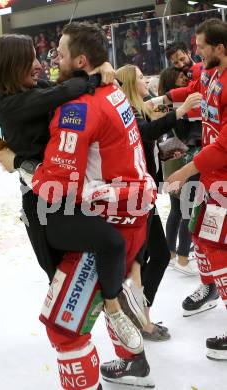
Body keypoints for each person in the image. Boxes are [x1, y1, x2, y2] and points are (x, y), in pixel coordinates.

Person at [0, 29, 151, 388]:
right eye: (33, 60)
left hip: (64, 201)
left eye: (54, 54)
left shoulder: (45, 93)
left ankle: (118, 317)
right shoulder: (12, 103)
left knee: (66, 322)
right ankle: (130, 349)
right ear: (13, 67)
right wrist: (98, 73)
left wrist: (99, 68)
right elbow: (65, 91)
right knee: (80, 281)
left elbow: (63, 94)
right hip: (55, 206)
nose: (43, 63)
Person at [32, 22, 157, 388]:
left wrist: (26, 171)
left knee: (63, 326)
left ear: (81, 60)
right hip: (131, 219)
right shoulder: (111, 88)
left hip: (105, 227)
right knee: (108, 291)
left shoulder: (80, 108)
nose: (55, 58)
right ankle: (135, 364)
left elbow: (57, 186)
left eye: (60, 52)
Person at [116, 64, 201, 340]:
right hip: (133, 197)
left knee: (152, 256)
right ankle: (139, 317)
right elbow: (146, 132)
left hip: (143, 194)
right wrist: (180, 109)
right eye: (141, 78)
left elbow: (150, 144)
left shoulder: (141, 107)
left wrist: (175, 148)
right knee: (149, 257)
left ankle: (140, 314)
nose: (147, 80)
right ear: (130, 83)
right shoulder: (127, 112)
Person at [165, 18, 227, 361]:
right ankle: (209, 287)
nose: (195, 54)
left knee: (216, 245)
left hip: (222, 178)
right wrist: (161, 97)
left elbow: (224, 146)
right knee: (199, 234)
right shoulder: (209, 72)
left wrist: (183, 172)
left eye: (201, 46)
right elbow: (194, 93)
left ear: (219, 48)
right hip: (210, 176)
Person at [158, 67, 200, 276]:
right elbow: (188, 135)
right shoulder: (181, 107)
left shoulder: (164, 106)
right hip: (182, 159)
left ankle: (172, 254)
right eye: (181, 77)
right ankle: (183, 258)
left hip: (170, 158)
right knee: (187, 210)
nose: (186, 79)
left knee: (177, 208)